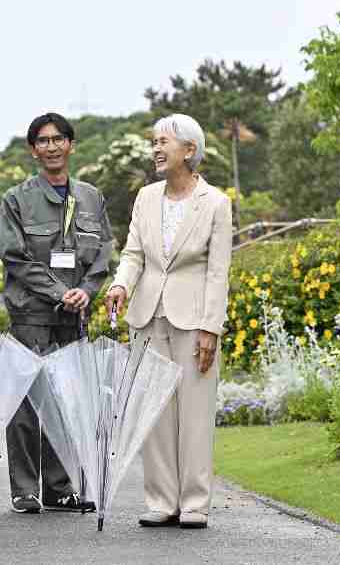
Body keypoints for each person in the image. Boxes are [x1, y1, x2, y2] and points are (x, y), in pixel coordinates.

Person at [106, 113, 232, 530]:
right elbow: (133, 253)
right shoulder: (145, 197)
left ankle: (194, 503)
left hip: (194, 319)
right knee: (154, 410)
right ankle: (161, 500)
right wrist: (121, 285)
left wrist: (211, 327)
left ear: (189, 150)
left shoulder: (215, 203)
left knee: (195, 413)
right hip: (146, 316)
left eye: (164, 142)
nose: (156, 149)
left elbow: (218, 272)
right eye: (154, 142)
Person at [0, 112, 112, 515]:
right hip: (32, 317)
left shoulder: (91, 197)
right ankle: (25, 489)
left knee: (65, 403)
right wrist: (62, 293)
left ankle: (60, 488)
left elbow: (103, 254)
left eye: (58, 139)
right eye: (42, 141)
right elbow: (15, 258)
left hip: (73, 318)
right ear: (32, 150)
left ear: (71, 145)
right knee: (27, 405)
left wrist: (87, 291)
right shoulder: (17, 199)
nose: (51, 146)